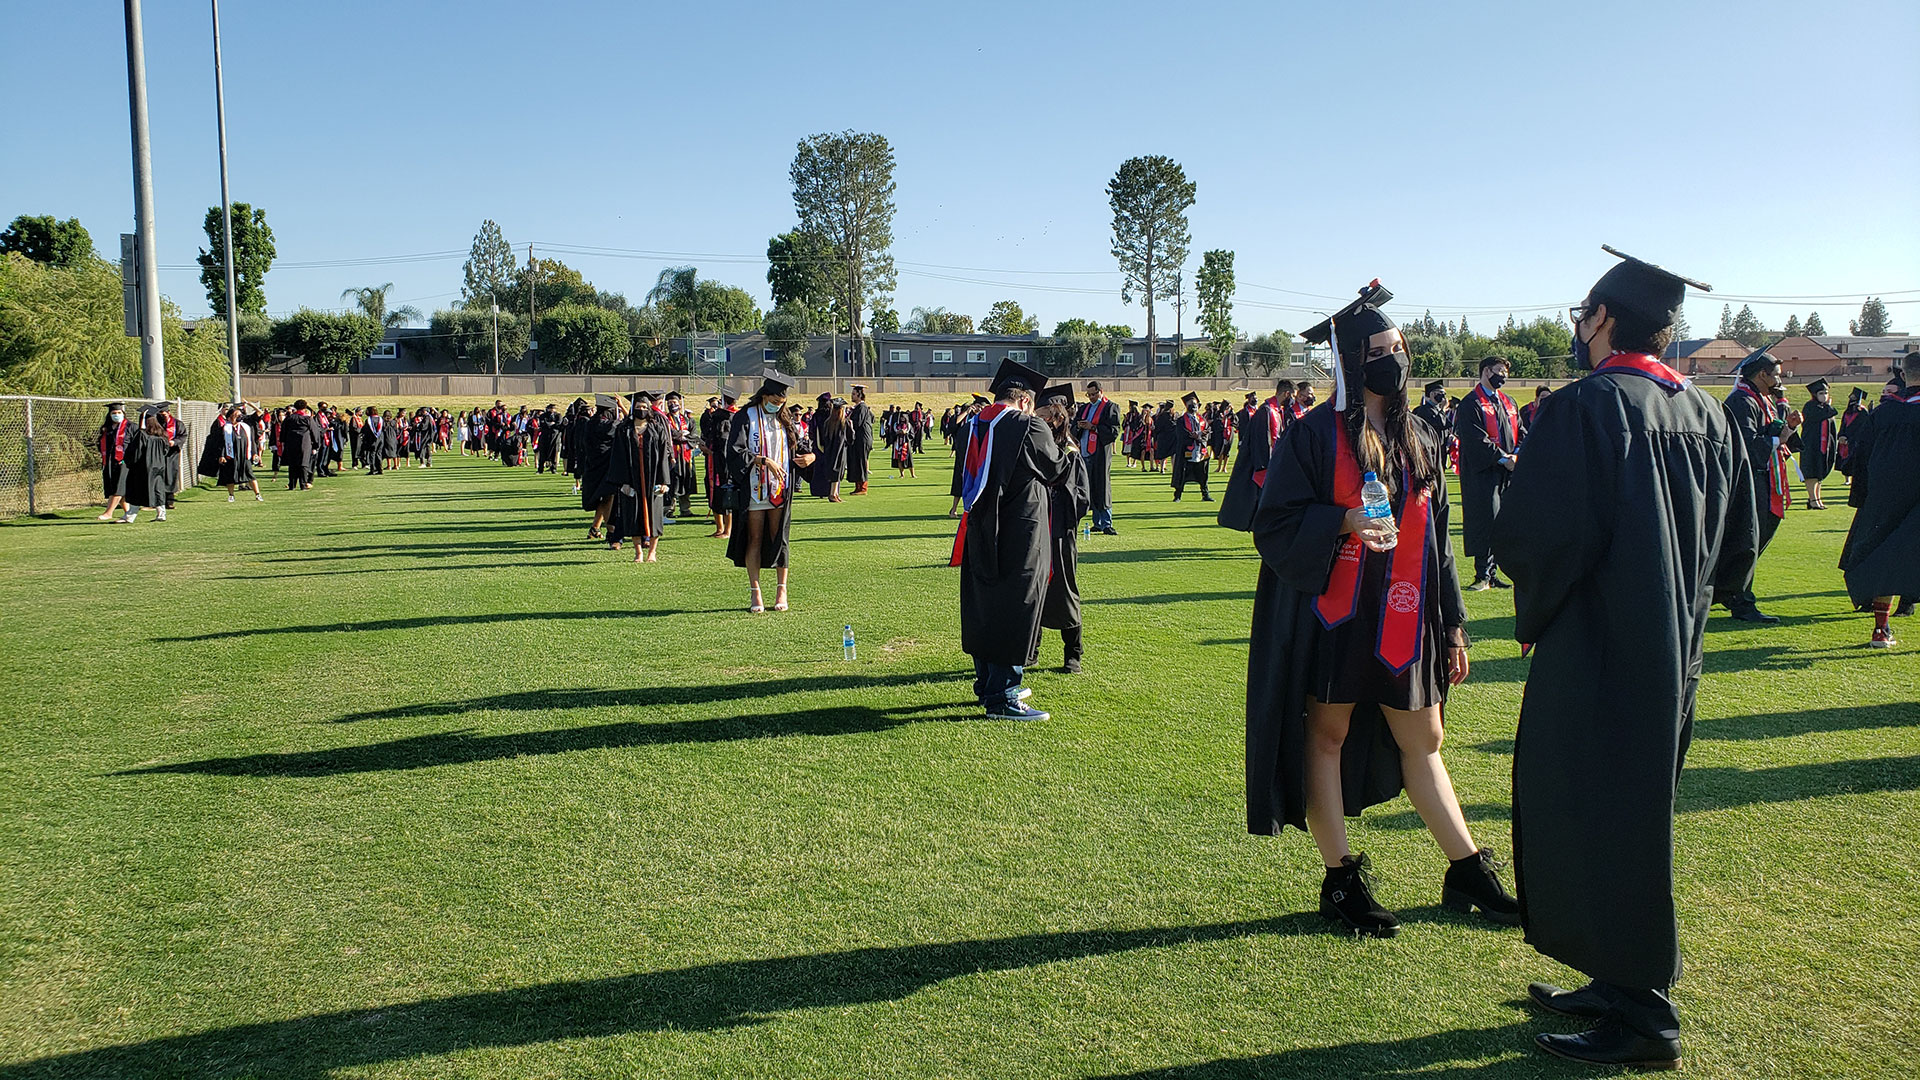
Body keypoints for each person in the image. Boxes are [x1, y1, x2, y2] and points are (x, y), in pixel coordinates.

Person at [1490, 249, 1758, 1069]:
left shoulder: (1590, 407)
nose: (1578, 326)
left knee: (1601, 815)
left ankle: (1645, 1018)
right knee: (1623, 815)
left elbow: (1540, 537)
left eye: (1583, 314)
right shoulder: (1707, 414)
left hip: (1600, 650)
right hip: (1674, 652)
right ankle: (1615, 980)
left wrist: (1538, 605)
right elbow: (1739, 546)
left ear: (1605, 319)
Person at [1245, 280, 1512, 944]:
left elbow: (1440, 541)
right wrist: (1341, 520)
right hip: (1337, 618)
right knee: (1327, 738)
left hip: (1404, 615)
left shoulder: (1419, 432)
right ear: (1353, 362)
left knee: (1424, 741)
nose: (1395, 359)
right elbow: (1273, 523)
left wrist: (1452, 624)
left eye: (1400, 347)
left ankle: (1467, 869)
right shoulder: (1311, 436)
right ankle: (1339, 877)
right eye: (1381, 350)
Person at [952, 359, 1068, 721]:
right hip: (1019, 530)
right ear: (1027, 401)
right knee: (1015, 604)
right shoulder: (1028, 425)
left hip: (981, 526)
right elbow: (1056, 469)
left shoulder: (974, 424)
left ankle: (988, 683)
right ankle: (1004, 695)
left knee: (985, 604)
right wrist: (1070, 452)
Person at [1713, 348, 1799, 623]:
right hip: (1750, 479)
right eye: (1775, 375)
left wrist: (1789, 429)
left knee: (1755, 540)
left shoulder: (1759, 399)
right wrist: (1780, 437)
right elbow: (1748, 445)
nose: (1779, 380)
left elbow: (1772, 434)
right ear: (1762, 374)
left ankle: (1729, 591)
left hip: (1765, 478)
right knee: (1747, 541)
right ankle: (1740, 601)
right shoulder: (1741, 401)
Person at [1840, 352, 1920, 647]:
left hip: (1884, 499)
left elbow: (1860, 459)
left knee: (1883, 559)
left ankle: (1880, 630)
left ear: (1904, 376)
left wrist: (1863, 498)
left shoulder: (1881, 414)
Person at [726, 372, 815, 612]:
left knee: (779, 537)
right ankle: (756, 593)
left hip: (780, 489)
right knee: (754, 537)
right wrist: (763, 460)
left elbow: (804, 446)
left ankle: (781, 589)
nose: (777, 405)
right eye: (774, 401)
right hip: (755, 487)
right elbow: (735, 451)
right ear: (764, 396)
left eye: (781, 402)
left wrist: (811, 456)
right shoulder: (746, 416)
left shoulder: (785, 419)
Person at [1034, 384, 1089, 673]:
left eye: (1042, 413)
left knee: (1064, 590)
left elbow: (1082, 497)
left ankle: (1073, 654)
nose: (1037, 418)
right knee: (1033, 590)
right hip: (1035, 532)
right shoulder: (1036, 446)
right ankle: (1031, 650)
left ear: (1056, 416)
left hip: (1059, 532)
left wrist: (1054, 493)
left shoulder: (1070, 451)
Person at [1457, 356, 1520, 590]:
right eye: (1498, 371)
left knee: (1502, 521)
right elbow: (1475, 439)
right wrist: (1503, 458)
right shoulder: (1471, 403)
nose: (1502, 376)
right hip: (1483, 472)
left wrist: (1516, 455)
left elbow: (1521, 432)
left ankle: (1494, 573)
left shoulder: (1508, 402)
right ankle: (1482, 573)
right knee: (1485, 519)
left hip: (1507, 473)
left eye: (1505, 372)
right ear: (1485, 371)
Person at [603, 391, 674, 563]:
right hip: (631, 480)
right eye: (638, 407)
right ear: (633, 409)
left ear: (649, 408)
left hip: (653, 480)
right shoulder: (623, 430)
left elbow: (664, 455)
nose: (641, 410)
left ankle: (652, 553)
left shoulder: (656, 428)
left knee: (654, 517)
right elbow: (617, 457)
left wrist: (664, 481)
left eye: (644, 407)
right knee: (634, 517)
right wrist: (622, 483)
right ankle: (638, 553)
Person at [1218, 379, 1293, 532]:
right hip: (1263, 468)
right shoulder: (1266, 411)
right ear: (1286, 393)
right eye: (1292, 395)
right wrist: (1265, 465)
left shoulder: (1276, 410)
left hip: (1272, 465)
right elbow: (1261, 441)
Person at [1073, 380, 1121, 534]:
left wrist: (1093, 427)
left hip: (1100, 453)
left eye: (1094, 394)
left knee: (1102, 486)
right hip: (1085, 452)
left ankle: (1107, 522)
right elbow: (1074, 427)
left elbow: (1113, 431)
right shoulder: (1085, 408)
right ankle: (1097, 522)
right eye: (1089, 395)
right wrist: (1079, 427)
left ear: (1101, 391)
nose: (1092, 397)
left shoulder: (1110, 407)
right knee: (1090, 487)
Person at [198, 403, 263, 502]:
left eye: (239, 415)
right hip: (230, 456)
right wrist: (221, 455)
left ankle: (257, 494)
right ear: (229, 418)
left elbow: (251, 441)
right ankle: (231, 495)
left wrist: (254, 453)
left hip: (244, 456)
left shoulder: (246, 427)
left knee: (250, 475)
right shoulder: (224, 429)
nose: (238, 417)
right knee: (230, 477)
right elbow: (220, 444)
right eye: (235, 415)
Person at [580, 395, 622, 539]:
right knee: (608, 496)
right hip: (605, 466)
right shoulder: (608, 425)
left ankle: (595, 528)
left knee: (604, 497)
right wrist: (621, 407)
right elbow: (627, 424)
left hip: (592, 465)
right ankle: (611, 529)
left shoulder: (590, 422)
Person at [701, 390, 738, 538]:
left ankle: (727, 531)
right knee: (715, 494)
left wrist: (709, 452)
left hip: (724, 466)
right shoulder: (728, 418)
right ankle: (719, 528)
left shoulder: (726, 420)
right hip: (716, 463)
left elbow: (724, 448)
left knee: (726, 494)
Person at [1798, 379, 1838, 509]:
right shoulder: (1810, 407)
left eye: (1826, 393)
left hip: (1824, 446)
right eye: (1821, 393)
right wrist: (1827, 405)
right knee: (1811, 474)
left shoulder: (1824, 408)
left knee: (1819, 474)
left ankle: (1817, 499)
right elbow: (1825, 413)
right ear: (1815, 395)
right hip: (1812, 446)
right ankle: (1812, 499)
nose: (1824, 395)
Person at [1169, 392, 1213, 501]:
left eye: (1195, 404)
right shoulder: (1181, 420)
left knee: (1203, 475)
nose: (1193, 406)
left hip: (1201, 451)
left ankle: (1205, 494)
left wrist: (1198, 437)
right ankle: (1178, 496)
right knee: (1183, 474)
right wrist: (1196, 436)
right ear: (1186, 406)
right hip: (1186, 451)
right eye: (1190, 404)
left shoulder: (1202, 420)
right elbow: (1182, 435)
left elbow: (1207, 433)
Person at [807, 394, 849, 501]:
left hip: (820, 446)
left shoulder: (818, 416)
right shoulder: (835, 417)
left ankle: (819, 491)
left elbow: (813, 431)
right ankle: (832, 492)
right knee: (835, 468)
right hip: (834, 447)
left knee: (821, 469)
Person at [97, 403, 134, 522]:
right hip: (109, 462)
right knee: (117, 487)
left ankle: (109, 512)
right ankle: (128, 513)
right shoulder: (106, 428)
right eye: (114, 413)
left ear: (123, 414)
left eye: (119, 413)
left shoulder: (131, 427)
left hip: (125, 462)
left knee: (118, 487)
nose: (116, 415)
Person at [280, 400, 320, 491]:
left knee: (292, 465)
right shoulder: (307, 419)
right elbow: (314, 432)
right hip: (304, 443)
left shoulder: (289, 418)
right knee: (303, 464)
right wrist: (315, 445)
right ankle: (303, 484)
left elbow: (283, 431)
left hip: (291, 443)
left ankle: (292, 485)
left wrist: (283, 441)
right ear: (305, 407)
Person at [844, 385, 875, 494]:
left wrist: (847, 421)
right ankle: (858, 486)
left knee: (861, 462)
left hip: (862, 439)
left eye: (853, 394)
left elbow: (857, 423)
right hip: (857, 439)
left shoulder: (862, 408)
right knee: (856, 462)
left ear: (859, 395)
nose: (851, 396)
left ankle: (863, 487)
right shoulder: (856, 408)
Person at [1836, 387, 1869, 484]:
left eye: (1854, 397)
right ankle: (1847, 479)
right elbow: (1843, 424)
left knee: (1855, 458)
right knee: (1845, 458)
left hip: (1856, 439)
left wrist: (1851, 439)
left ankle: (1855, 478)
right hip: (1845, 439)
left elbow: (1863, 428)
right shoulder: (1847, 412)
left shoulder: (1863, 412)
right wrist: (1841, 435)